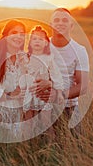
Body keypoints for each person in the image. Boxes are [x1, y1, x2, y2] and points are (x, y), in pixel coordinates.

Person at [31, 8, 89, 136]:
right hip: (42, 106)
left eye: (65, 20)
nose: (60, 23)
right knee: (41, 148)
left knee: (75, 148)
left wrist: (59, 95)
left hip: (69, 108)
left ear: (71, 25)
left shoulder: (79, 50)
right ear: (51, 24)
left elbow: (83, 86)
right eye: (56, 20)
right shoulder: (40, 45)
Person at [20, 26, 64, 137]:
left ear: (46, 43)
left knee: (46, 122)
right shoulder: (26, 57)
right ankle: (27, 147)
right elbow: (21, 75)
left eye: (40, 39)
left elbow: (56, 75)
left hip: (43, 93)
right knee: (28, 123)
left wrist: (58, 93)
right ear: (30, 43)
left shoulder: (49, 58)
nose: (37, 41)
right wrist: (21, 89)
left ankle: (51, 146)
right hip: (29, 94)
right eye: (34, 39)